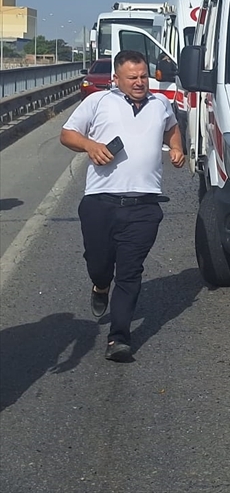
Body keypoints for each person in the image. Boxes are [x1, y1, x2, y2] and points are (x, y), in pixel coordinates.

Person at [60, 49, 185, 362]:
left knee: (130, 272)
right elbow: (67, 134)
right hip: (100, 201)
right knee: (99, 263)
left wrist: (176, 147)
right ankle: (101, 285)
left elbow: (172, 128)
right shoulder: (98, 101)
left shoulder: (161, 103)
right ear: (116, 78)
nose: (140, 82)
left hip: (144, 205)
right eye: (132, 77)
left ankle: (119, 338)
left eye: (143, 76)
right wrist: (90, 145)